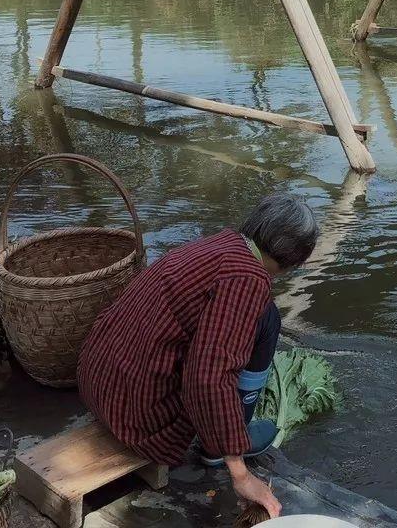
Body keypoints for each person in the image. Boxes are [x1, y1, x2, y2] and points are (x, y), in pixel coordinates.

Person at [77, 194, 319, 519]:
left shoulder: (222, 244)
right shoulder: (248, 279)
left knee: (266, 316)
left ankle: (229, 430)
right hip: (137, 418)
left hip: (97, 385)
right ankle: (225, 441)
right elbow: (208, 378)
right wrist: (240, 473)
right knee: (266, 321)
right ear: (295, 257)